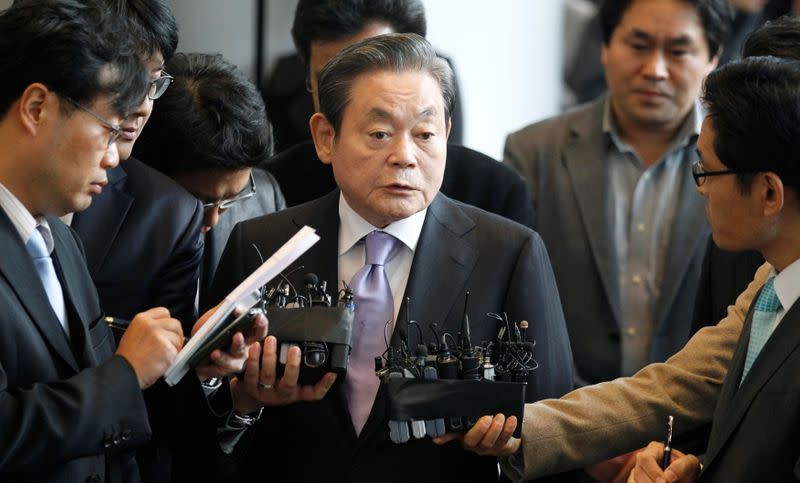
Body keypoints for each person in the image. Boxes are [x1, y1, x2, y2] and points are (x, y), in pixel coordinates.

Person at [441, 16, 800, 482]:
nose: (701, 190)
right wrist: (519, 429)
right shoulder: (769, 284)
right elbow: (670, 387)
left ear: (769, 193)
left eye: (706, 173)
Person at [207, 33, 574, 483]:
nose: (404, 156)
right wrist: (244, 405)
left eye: (424, 134)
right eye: (379, 133)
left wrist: (508, 445)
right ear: (326, 137)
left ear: (447, 136)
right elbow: (201, 429)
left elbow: (554, 435)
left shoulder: (509, 253)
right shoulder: (262, 246)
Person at [0, 1, 263, 482]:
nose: (115, 158)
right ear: (36, 108)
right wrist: (124, 373)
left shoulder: (60, 239)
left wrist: (190, 364)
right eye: (108, 129)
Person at [504, 0, 733, 385]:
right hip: (563, 416)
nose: (655, 70)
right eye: (638, 46)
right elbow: (512, 305)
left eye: (678, 51)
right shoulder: (533, 153)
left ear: (713, 58)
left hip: (694, 429)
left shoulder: (740, 161)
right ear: (605, 47)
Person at [266, 0, 533, 227]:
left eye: (375, 69)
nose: (349, 94)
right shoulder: (272, 192)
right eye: (329, 81)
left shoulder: (495, 196)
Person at [70, 0, 204, 327]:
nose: (143, 105)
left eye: (153, 82)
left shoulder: (169, 214)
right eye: (126, 81)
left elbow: (171, 365)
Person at [132, 52, 287, 307]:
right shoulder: (108, 226)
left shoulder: (265, 199)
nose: (213, 218)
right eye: (197, 199)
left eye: (231, 198)